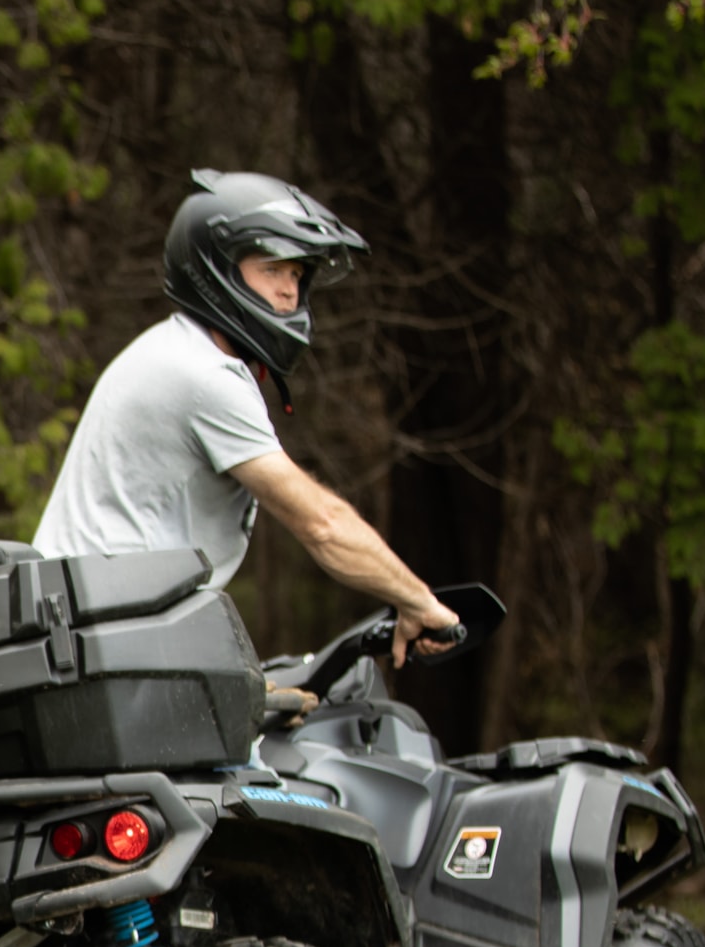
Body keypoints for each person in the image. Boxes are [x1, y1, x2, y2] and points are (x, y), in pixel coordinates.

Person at [33, 169, 460, 667]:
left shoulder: (170, 349)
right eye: (272, 269)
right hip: (104, 642)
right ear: (217, 269)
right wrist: (417, 601)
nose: (288, 293)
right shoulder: (201, 375)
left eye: (297, 275)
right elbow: (322, 524)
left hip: (94, 632)